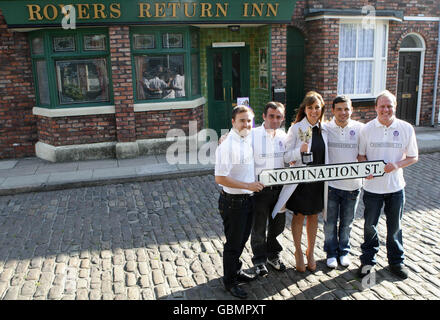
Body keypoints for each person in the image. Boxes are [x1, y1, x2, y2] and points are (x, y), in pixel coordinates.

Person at [357, 90, 418, 280]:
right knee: (369, 226)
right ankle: (368, 261)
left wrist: (397, 165)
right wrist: (365, 168)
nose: (386, 109)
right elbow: (361, 156)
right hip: (372, 189)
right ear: (375, 107)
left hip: (395, 188)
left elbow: (413, 156)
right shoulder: (366, 129)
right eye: (382, 106)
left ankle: (396, 262)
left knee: (395, 228)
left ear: (395, 107)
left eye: (389, 106)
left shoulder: (406, 128)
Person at [215, 105, 264, 299]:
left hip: (247, 199)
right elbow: (220, 178)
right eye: (242, 120)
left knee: (242, 241)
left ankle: (236, 271)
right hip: (233, 202)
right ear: (233, 122)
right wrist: (249, 185)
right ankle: (230, 282)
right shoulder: (227, 146)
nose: (246, 124)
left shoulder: (247, 137)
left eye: (249, 120)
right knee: (234, 244)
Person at [283, 91, 328, 273]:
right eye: (310, 107)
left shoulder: (325, 129)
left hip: (318, 180)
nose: (314, 111)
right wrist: (298, 152)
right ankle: (298, 252)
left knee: (314, 215)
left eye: (317, 107)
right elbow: (286, 156)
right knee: (299, 215)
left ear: (322, 109)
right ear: (305, 109)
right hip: (301, 180)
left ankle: (311, 251)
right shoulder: (296, 129)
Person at [322, 96, 364, 269]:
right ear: (333, 111)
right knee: (329, 223)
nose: (343, 112)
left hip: (353, 186)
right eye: (339, 109)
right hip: (331, 185)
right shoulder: (325, 128)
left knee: (347, 223)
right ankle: (331, 253)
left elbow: (366, 154)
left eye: (346, 109)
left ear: (351, 110)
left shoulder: (361, 129)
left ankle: (344, 251)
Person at [250, 102, 288, 277]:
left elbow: (289, 160)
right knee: (258, 227)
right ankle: (259, 260)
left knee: (278, 225)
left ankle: (273, 255)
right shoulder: (252, 135)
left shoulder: (284, 136)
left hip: (280, 189)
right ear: (264, 116)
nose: (275, 119)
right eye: (271, 116)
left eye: (278, 117)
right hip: (260, 189)